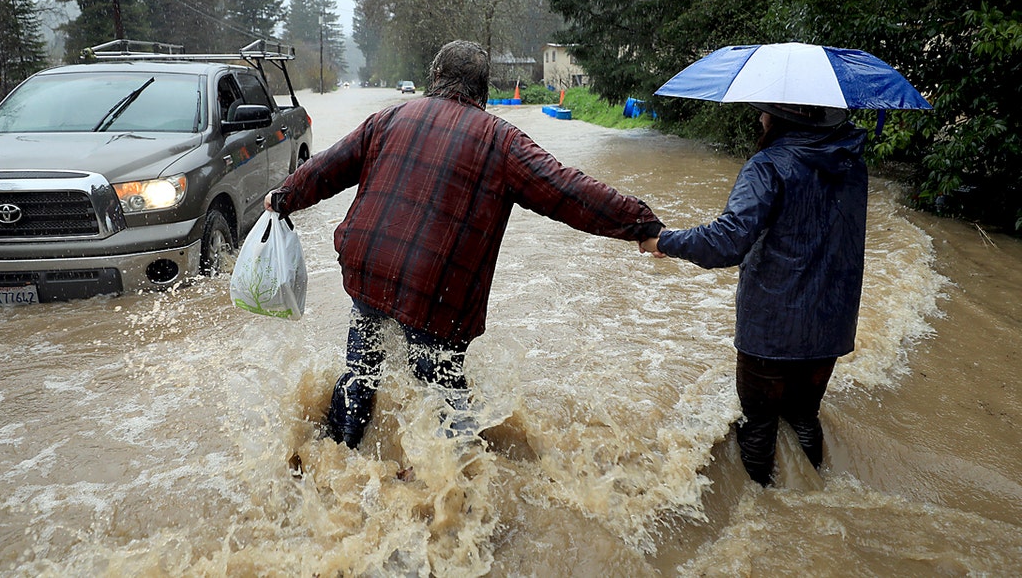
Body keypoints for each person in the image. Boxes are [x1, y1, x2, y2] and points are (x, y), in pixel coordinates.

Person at [265, 40, 664, 449]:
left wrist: (283, 196)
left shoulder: (387, 119)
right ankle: (455, 486)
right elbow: (568, 191)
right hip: (436, 291)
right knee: (444, 395)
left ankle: (335, 456)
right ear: (484, 92)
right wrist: (640, 223)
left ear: (435, 79)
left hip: (369, 270)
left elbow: (327, 167)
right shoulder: (501, 141)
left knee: (361, 372)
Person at [640, 102, 867, 486]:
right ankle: (821, 494)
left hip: (772, 326)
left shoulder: (768, 165)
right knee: (804, 417)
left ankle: (766, 516)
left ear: (782, 117)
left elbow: (728, 241)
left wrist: (665, 240)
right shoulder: (851, 162)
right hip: (831, 322)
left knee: (759, 425)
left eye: (765, 111)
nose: (760, 117)